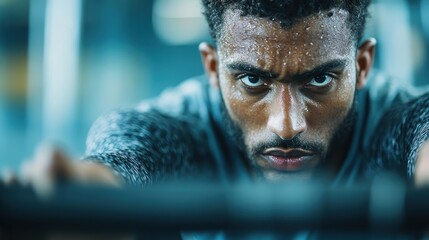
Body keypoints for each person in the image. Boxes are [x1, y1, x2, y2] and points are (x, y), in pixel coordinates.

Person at [15, 0, 429, 192]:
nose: (286, 124)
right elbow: (123, 163)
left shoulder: (397, 122)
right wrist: (69, 199)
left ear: (362, 65)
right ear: (213, 68)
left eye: (319, 80)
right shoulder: (176, 131)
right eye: (252, 81)